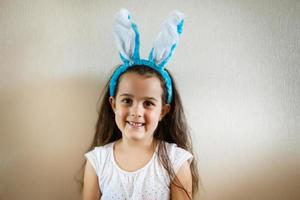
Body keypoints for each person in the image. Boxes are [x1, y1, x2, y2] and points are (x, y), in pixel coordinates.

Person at [80, 8, 200, 200]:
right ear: (113, 104)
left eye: (148, 103)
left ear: (163, 110)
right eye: (127, 100)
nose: (136, 111)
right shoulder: (97, 162)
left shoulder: (176, 162)